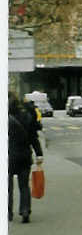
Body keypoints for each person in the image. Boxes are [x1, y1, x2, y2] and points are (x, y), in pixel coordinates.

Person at [8, 92, 43, 223]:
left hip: (9, 155)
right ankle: (25, 211)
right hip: (24, 154)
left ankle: (8, 213)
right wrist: (39, 153)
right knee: (24, 185)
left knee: (7, 187)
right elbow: (33, 137)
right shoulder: (26, 116)